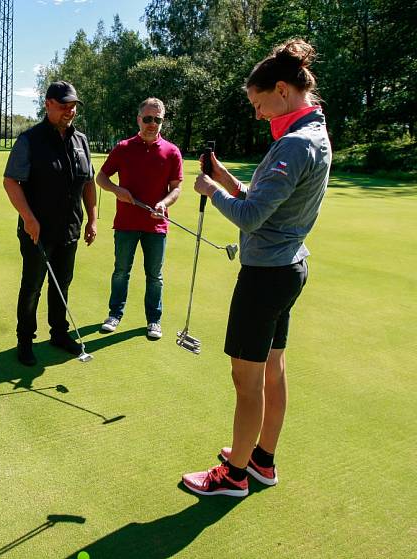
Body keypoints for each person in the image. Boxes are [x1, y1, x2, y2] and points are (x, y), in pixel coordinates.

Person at [182, 39, 331, 497]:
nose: (257, 113)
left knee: (245, 379)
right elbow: (265, 199)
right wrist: (226, 177)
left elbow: (249, 216)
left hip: (266, 276)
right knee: (272, 367)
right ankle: (262, 460)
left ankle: (233, 475)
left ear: (282, 89)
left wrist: (211, 191)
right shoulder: (312, 135)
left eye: (259, 102)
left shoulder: (294, 146)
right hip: (287, 267)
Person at [3, 80, 97, 366]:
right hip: (37, 230)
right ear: (48, 105)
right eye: (63, 106)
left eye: (73, 107)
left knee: (62, 284)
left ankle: (59, 333)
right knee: (32, 286)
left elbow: (88, 182)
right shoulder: (29, 140)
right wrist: (28, 218)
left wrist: (92, 218)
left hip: (69, 228)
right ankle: (24, 339)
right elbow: (11, 181)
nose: (69, 111)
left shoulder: (81, 140)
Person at [96, 97, 182, 340]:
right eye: (147, 119)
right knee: (121, 271)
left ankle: (154, 321)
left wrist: (164, 203)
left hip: (156, 225)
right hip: (126, 224)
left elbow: (176, 188)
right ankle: (114, 315)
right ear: (139, 119)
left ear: (162, 122)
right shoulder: (123, 148)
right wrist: (116, 190)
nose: (152, 124)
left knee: (155, 276)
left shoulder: (172, 152)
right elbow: (101, 178)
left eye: (157, 120)